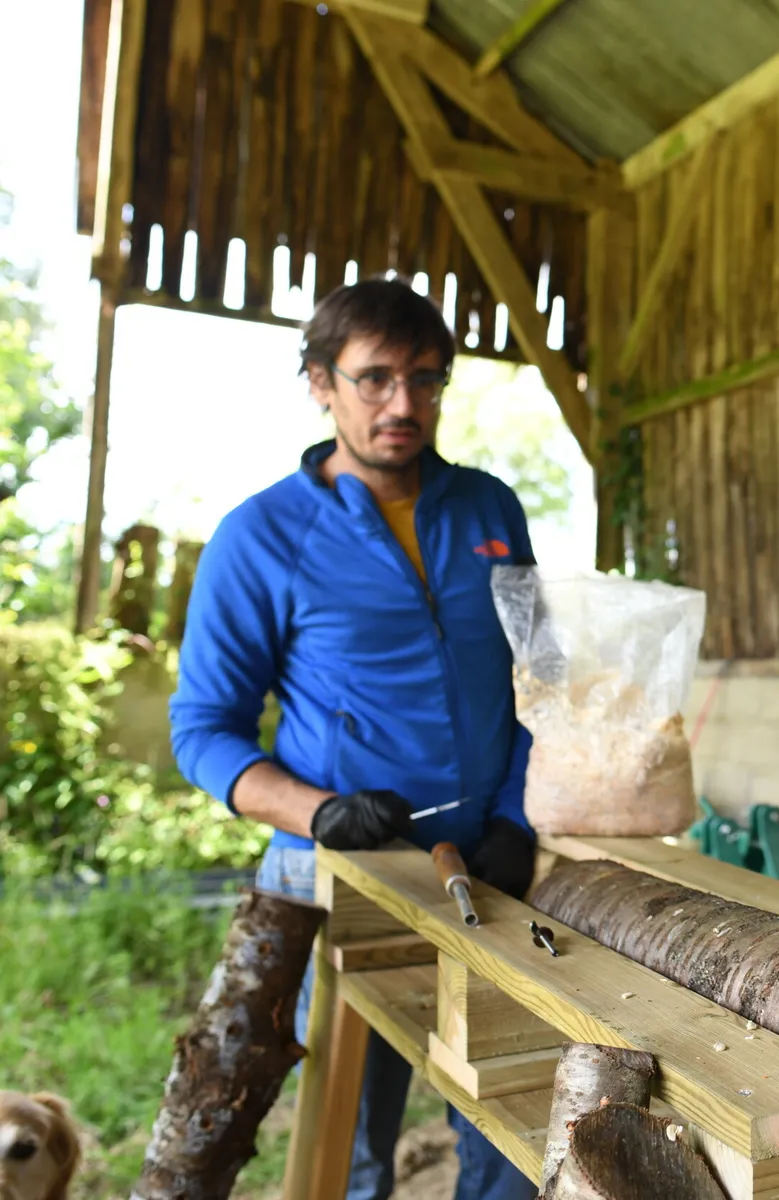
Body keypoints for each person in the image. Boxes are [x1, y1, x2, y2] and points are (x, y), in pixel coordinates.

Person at [170, 280, 540, 1200]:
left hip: (490, 869)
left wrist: (518, 816)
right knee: (352, 1145)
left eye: (426, 379)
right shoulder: (257, 538)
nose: (403, 405)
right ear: (318, 383)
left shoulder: (492, 511)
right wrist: (321, 811)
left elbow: (546, 680)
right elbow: (204, 733)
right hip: (342, 871)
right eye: (374, 379)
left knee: (512, 1123)